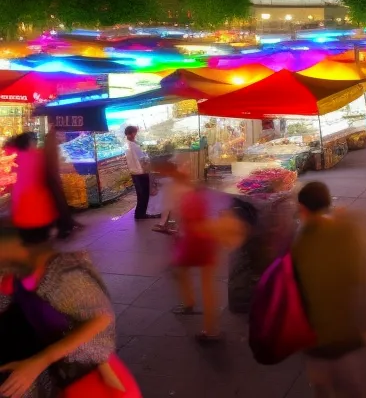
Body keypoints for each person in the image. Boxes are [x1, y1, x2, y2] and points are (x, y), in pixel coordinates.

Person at [0, 228, 141, 397]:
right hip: (60, 372)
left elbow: (101, 318)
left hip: (89, 373)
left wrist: (39, 362)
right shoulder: (18, 276)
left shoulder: (62, 273)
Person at [292, 182, 366, 398]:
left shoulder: (300, 242)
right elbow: (357, 276)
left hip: (316, 338)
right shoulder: (345, 231)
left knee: (322, 387)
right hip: (346, 332)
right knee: (352, 387)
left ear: (303, 209)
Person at [157, 160, 243, 342]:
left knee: (183, 272)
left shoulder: (179, 191)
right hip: (204, 241)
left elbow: (187, 220)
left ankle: (202, 320)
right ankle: (207, 324)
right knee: (204, 283)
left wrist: (178, 230)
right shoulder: (191, 190)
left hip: (194, 240)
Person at [8, 133, 59, 245]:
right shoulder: (36, 156)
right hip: (34, 198)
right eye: (33, 140)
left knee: (30, 230)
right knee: (39, 229)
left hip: (24, 199)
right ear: (27, 143)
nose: (35, 142)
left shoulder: (17, 157)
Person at [124, 126, 159, 221]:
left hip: (134, 172)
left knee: (140, 194)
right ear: (130, 134)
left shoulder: (127, 144)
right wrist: (148, 157)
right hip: (141, 172)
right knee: (144, 193)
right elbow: (143, 159)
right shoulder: (133, 145)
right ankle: (141, 213)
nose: (135, 134)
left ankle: (139, 213)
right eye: (134, 132)